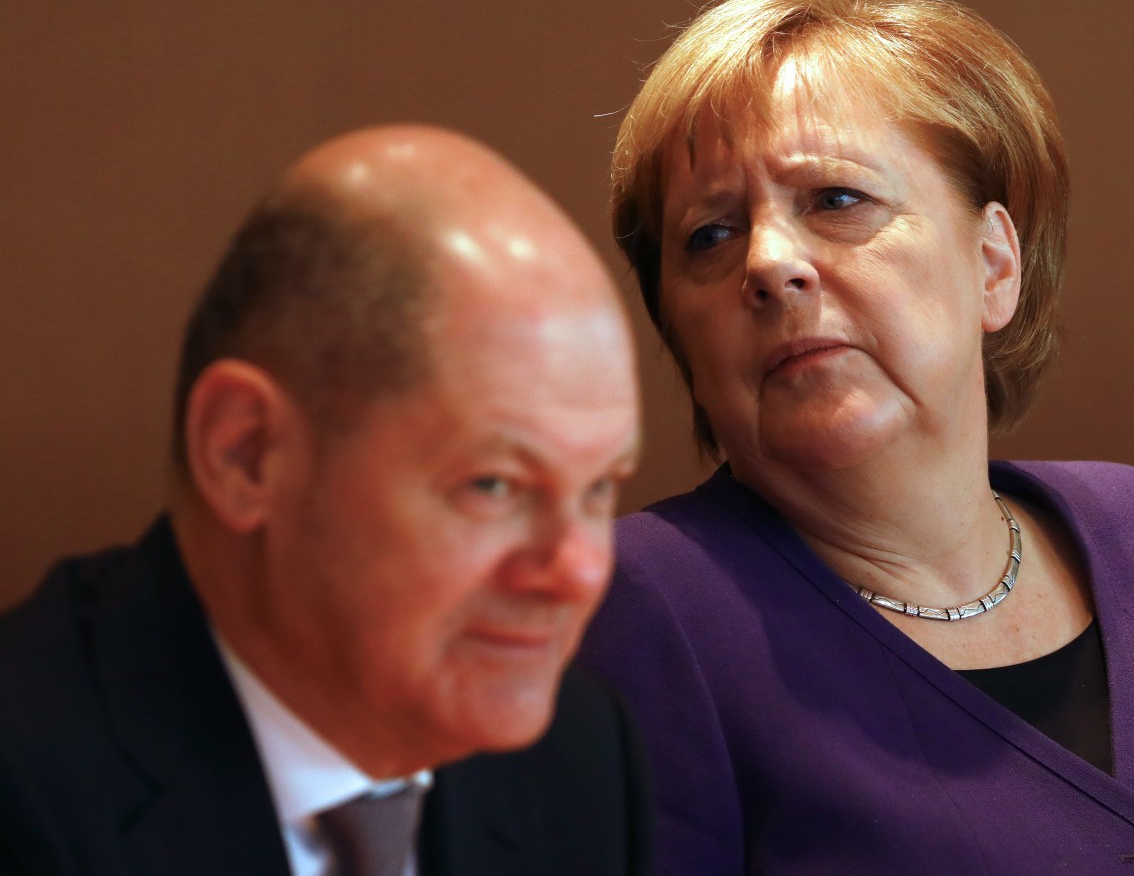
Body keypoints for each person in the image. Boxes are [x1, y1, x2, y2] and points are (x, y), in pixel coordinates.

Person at [579, 0, 1134, 875]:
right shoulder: (638, 609)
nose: (769, 263)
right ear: (678, 330)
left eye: (835, 200)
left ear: (994, 265)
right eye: (709, 235)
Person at [0, 125, 650, 875]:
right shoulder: (27, 791)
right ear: (247, 455)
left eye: (599, 488)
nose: (577, 574)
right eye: (493, 486)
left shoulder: (579, 763)